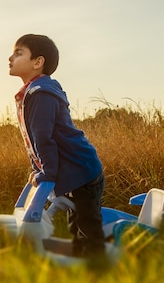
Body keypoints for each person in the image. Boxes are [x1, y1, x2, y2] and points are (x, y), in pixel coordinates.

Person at [8, 34, 106, 258]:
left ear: (37, 62)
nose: (10, 57)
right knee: (77, 222)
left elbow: (44, 138)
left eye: (18, 53)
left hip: (82, 169)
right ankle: (81, 261)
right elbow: (34, 141)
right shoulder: (32, 93)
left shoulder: (41, 94)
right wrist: (38, 169)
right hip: (72, 171)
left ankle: (99, 271)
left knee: (87, 226)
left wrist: (47, 172)